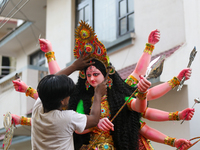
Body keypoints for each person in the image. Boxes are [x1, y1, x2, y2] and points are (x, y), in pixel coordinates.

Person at [12, 21, 193, 149]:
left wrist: (143, 92)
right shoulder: (74, 104)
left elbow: (139, 104)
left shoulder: (118, 93)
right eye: (88, 75)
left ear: (107, 75)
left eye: (96, 74)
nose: (91, 79)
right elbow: (56, 89)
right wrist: (96, 124)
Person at [12, 57, 109, 149]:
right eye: (68, 95)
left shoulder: (38, 107)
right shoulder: (67, 118)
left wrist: (74, 66)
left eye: (95, 74)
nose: (92, 79)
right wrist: (98, 94)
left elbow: (51, 82)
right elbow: (94, 120)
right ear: (62, 101)